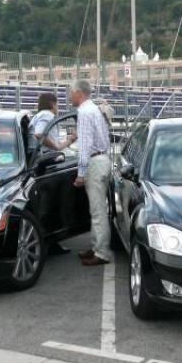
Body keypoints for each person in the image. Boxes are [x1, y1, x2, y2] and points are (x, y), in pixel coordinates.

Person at [70, 80, 113, 266]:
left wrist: (81, 172)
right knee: (97, 210)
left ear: (79, 93)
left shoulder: (84, 112)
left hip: (95, 162)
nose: (69, 96)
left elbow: (85, 145)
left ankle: (101, 252)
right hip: (102, 159)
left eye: (71, 93)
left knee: (97, 211)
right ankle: (97, 247)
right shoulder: (94, 109)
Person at [29, 93, 76, 256]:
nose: (58, 108)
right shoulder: (47, 115)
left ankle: (50, 242)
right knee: (50, 206)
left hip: (43, 164)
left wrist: (68, 141)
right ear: (51, 104)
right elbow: (40, 133)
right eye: (57, 104)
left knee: (48, 207)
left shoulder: (38, 115)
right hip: (48, 166)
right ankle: (46, 244)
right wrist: (56, 146)